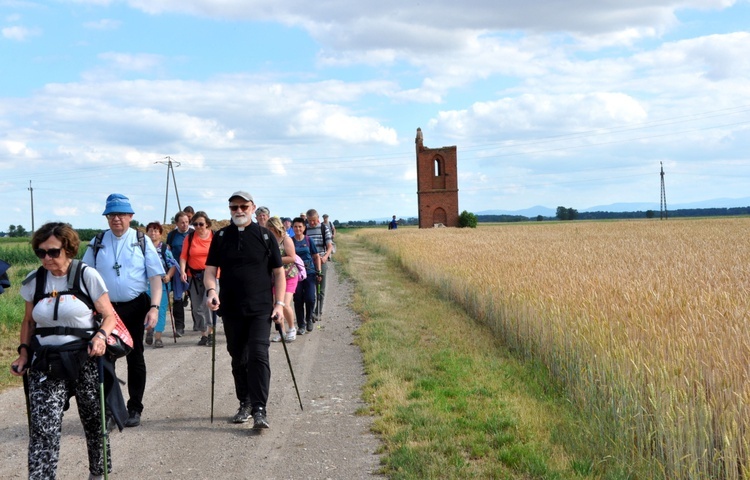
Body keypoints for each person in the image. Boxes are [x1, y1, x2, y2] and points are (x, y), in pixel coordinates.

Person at [11, 222, 120, 479]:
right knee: (43, 429)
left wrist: (101, 337)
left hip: (86, 358)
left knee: (94, 423)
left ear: (68, 248)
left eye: (53, 252)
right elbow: (29, 322)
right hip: (47, 361)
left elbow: (109, 316)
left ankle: (99, 472)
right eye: (41, 252)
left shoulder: (86, 275)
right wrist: (24, 354)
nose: (46, 258)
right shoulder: (34, 280)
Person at [82, 193, 165, 428]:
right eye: (111, 215)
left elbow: (155, 278)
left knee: (135, 356)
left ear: (130, 216)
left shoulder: (141, 240)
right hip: (106, 310)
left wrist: (154, 308)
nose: (116, 219)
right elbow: (84, 276)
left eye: (120, 214)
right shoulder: (97, 242)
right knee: (106, 359)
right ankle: (110, 410)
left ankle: (134, 408)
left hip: (136, 306)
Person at [204, 191, 285, 430]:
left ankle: (260, 409)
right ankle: (245, 403)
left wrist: (280, 304)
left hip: (261, 309)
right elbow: (210, 270)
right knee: (238, 357)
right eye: (233, 207)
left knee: (259, 355)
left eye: (243, 206)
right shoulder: (220, 237)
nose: (238, 211)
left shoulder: (265, 237)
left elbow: (278, 272)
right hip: (230, 308)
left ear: (252, 207)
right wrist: (211, 291)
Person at [179, 211, 215, 346]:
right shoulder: (189, 238)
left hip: (211, 275)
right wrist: (182, 271)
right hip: (194, 276)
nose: (198, 227)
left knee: (208, 304)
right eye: (195, 224)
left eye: (201, 224)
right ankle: (203, 334)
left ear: (207, 224)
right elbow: (183, 256)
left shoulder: (214, 236)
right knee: (196, 308)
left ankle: (211, 332)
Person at [145, 222, 178, 348]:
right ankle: (149, 330)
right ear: (147, 233)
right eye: (150, 231)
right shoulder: (142, 248)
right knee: (146, 309)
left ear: (160, 234)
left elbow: (173, 265)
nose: (153, 233)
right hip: (145, 284)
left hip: (162, 285)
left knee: (161, 310)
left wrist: (168, 276)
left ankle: (158, 337)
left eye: (156, 231)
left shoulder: (164, 249)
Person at [266, 216, 298, 342]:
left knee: (284, 303)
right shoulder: (268, 239)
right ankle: (281, 331)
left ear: (275, 227)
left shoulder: (286, 239)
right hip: (276, 278)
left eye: (270, 228)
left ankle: (292, 328)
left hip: (289, 275)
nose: (269, 230)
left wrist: (274, 261)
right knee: (276, 304)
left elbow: (292, 257)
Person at [292, 216, 322, 335]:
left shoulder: (309, 240)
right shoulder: (289, 241)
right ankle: (301, 325)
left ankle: (309, 318)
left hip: (309, 273)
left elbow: (316, 256)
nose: (298, 229)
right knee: (298, 299)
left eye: (300, 226)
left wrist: (318, 271)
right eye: (295, 226)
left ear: (304, 228)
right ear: (292, 228)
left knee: (310, 298)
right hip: (295, 274)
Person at [166, 211, 191, 336]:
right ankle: (179, 327)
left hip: (192, 269)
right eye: (182, 222)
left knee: (195, 297)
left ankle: (200, 324)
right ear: (176, 223)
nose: (184, 225)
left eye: (186, 222)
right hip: (176, 270)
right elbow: (168, 251)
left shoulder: (192, 233)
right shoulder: (172, 235)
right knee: (177, 299)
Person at [305, 209, 332, 321]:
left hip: (321, 260)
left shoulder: (323, 228)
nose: (311, 223)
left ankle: (318, 312)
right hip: (308, 262)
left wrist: (325, 256)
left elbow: (330, 246)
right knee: (309, 288)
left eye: (313, 220)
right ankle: (310, 311)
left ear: (318, 218)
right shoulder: (305, 229)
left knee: (320, 287)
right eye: (309, 220)